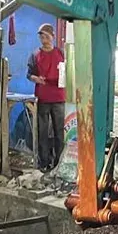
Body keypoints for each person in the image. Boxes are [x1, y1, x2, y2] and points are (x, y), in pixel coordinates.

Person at [25, 24, 67, 171]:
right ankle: (44, 163)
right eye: (41, 36)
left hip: (59, 98)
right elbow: (29, 74)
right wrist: (36, 79)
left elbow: (68, 72)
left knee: (59, 133)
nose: (44, 39)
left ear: (53, 36)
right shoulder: (35, 55)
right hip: (42, 97)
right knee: (42, 132)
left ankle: (58, 164)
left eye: (46, 36)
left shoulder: (61, 53)